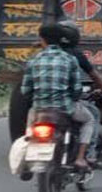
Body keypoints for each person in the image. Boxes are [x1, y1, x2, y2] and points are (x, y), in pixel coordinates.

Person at [21, 24, 94, 173]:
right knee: (89, 120)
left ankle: (27, 154)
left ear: (42, 39)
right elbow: (76, 90)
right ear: (62, 40)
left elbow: (25, 90)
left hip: (40, 109)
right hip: (64, 108)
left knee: (31, 119)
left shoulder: (33, 61)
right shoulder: (70, 59)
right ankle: (80, 158)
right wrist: (74, 97)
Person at [56, 23, 102, 167]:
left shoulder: (39, 56)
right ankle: (87, 156)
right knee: (91, 116)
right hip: (66, 104)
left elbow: (25, 88)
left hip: (40, 106)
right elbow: (79, 86)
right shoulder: (74, 57)